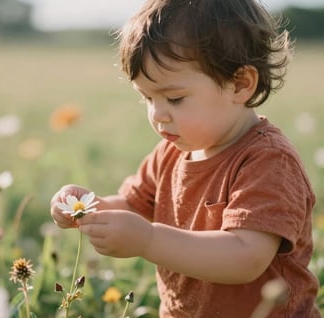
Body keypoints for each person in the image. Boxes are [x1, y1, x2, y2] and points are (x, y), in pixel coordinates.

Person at [50, 0, 321, 317]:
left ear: (240, 84)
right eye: (147, 97)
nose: (157, 114)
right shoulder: (171, 151)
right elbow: (131, 205)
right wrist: (86, 208)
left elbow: (246, 258)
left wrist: (148, 240)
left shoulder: (268, 161)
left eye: (174, 98)